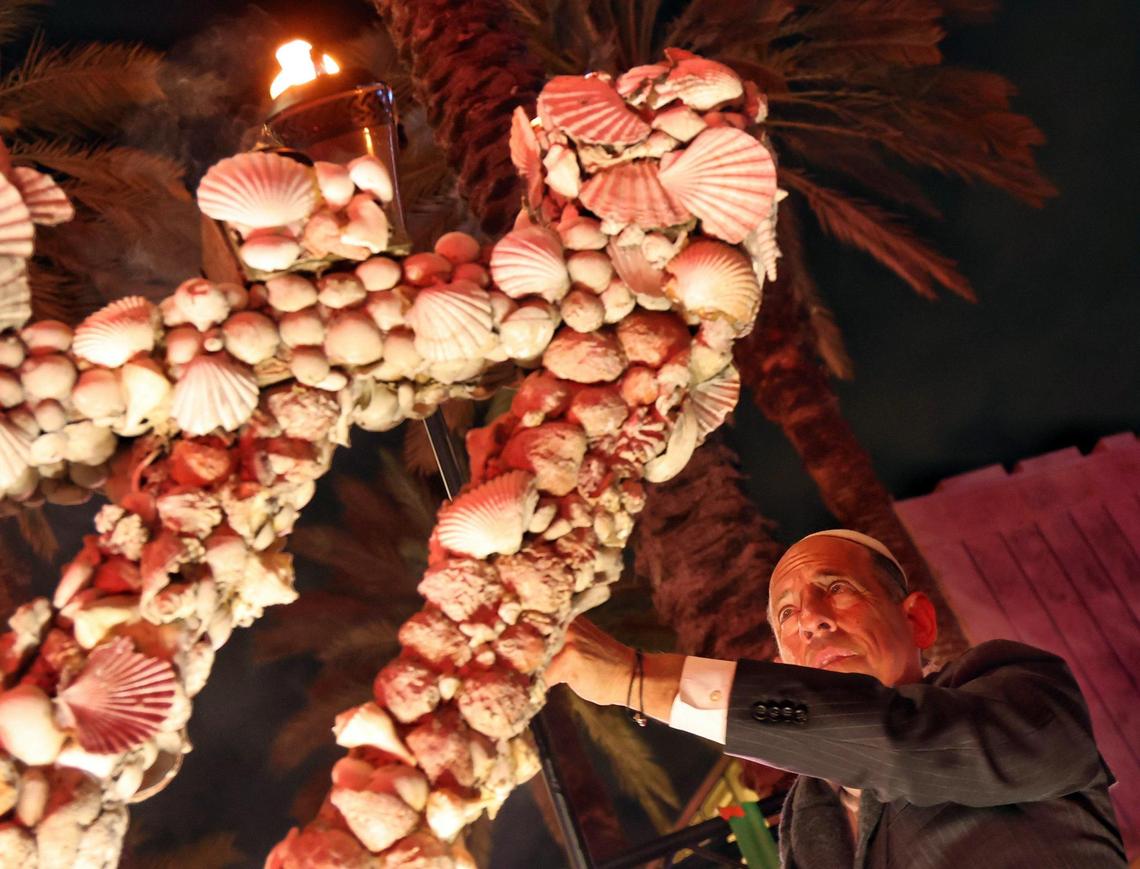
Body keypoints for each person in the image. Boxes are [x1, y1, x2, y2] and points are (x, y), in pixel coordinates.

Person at [547, 529, 1127, 868]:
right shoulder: (804, 820)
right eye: (788, 615)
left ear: (918, 621)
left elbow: (899, 742)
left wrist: (638, 677)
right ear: (785, 668)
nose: (813, 622)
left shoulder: (1018, 690)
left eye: (837, 590)